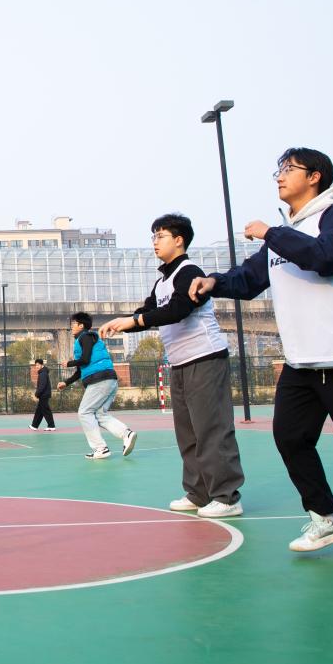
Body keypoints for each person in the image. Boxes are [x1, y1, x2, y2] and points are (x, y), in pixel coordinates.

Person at [190, 147, 333, 573]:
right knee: (290, 438)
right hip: (302, 364)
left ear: (315, 176)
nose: (279, 176)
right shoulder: (287, 234)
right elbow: (249, 279)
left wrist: (271, 232)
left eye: (288, 169)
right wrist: (213, 282)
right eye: (278, 169)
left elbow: (327, 258)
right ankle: (325, 518)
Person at [100, 214, 244, 518]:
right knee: (188, 433)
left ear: (179, 240)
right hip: (180, 363)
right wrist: (122, 322)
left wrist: (134, 320)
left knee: (212, 430)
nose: (155, 242)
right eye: (153, 236)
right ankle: (199, 493)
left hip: (205, 358)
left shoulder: (189, 271)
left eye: (161, 236)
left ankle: (227, 497)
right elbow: (149, 312)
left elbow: (178, 309)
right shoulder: (162, 281)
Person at [58, 312, 136, 460]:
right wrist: (66, 383)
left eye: (73, 324)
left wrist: (69, 363)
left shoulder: (85, 337)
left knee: (84, 412)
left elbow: (85, 360)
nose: (71, 326)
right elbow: (81, 370)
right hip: (108, 380)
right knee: (100, 414)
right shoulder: (84, 340)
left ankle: (100, 448)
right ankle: (126, 434)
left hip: (100, 380)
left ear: (81, 325)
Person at [28, 359, 55, 430]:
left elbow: (42, 385)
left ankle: (51, 426)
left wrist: (37, 394)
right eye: (36, 365)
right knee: (39, 411)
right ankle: (34, 425)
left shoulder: (43, 373)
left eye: (38, 365)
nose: (36, 366)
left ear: (41, 365)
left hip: (44, 395)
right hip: (43, 394)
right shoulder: (42, 372)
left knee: (46, 411)